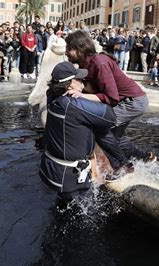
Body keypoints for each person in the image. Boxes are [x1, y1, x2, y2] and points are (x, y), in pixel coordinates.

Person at [65, 30, 156, 179]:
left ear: (80, 49)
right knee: (115, 139)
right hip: (130, 100)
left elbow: (112, 97)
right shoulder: (87, 63)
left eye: (69, 48)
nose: (66, 52)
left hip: (132, 102)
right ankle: (146, 157)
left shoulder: (99, 63)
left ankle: (123, 166)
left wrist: (82, 95)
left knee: (100, 129)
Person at [39, 61, 117, 202]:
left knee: (62, 210)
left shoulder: (52, 96)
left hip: (52, 171)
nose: (83, 82)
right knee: (85, 217)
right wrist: (85, 97)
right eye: (79, 79)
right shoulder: (73, 105)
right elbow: (111, 118)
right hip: (71, 179)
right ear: (69, 85)